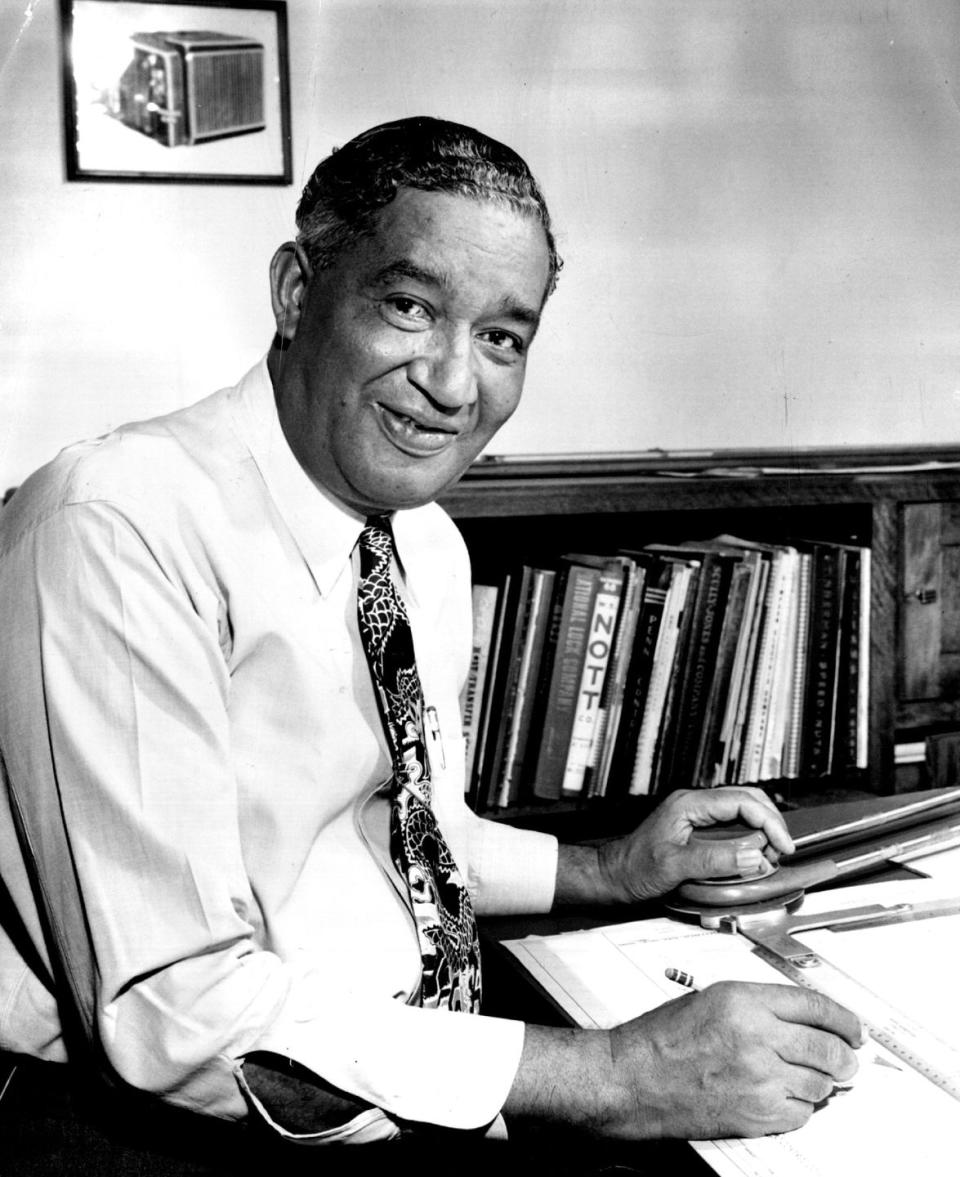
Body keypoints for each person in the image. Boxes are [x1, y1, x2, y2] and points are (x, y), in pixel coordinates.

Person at [0, 116, 862, 1171]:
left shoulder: (424, 544)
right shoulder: (113, 524)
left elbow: (409, 843)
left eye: (502, 337)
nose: (454, 384)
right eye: (409, 307)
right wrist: (612, 1076)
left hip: (394, 1055)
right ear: (296, 292)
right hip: (154, 1123)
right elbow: (176, 1013)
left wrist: (613, 867)